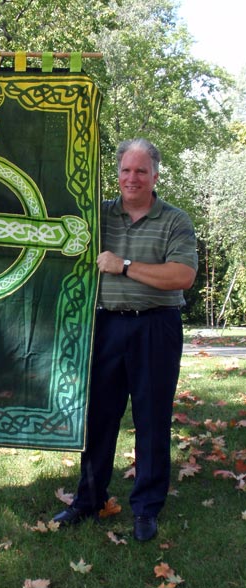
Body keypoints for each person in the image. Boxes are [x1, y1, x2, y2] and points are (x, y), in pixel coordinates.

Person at [53, 138, 198, 541]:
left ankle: (146, 508)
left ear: (155, 175)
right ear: (117, 174)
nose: (132, 178)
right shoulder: (96, 217)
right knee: (98, 418)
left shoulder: (176, 220)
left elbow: (182, 276)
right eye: (125, 171)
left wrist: (125, 266)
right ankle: (89, 500)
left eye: (140, 171)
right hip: (105, 327)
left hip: (157, 327)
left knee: (151, 420)